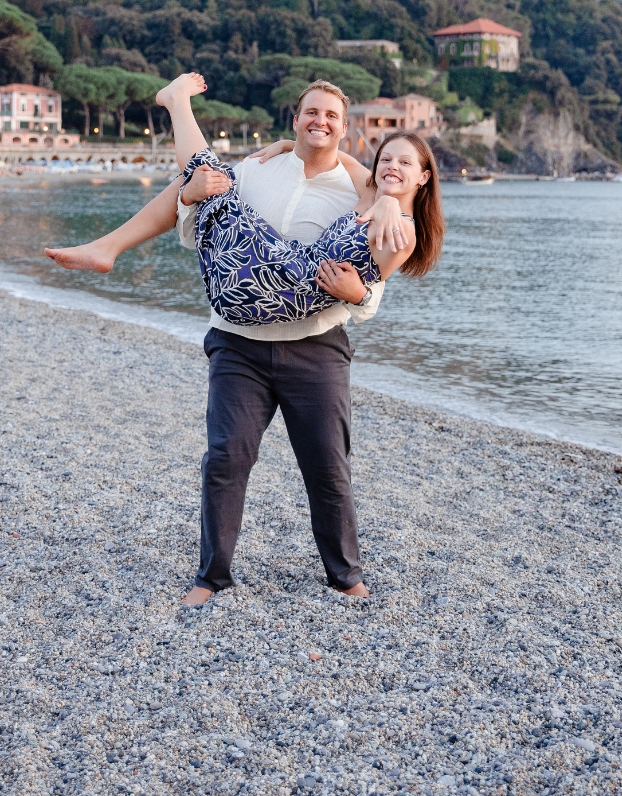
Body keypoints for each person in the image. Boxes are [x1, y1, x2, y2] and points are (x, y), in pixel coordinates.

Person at [46, 75, 444, 605]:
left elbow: (371, 291)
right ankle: (211, 576)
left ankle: (346, 575)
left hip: (314, 345)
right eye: (311, 113)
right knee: (226, 458)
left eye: (331, 116)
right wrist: (195, 192)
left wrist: (361, 279)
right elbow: (196, 225)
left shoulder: (366, 195)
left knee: (328, 466)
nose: (319, 122)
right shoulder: (258, 168)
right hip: (240, 336)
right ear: (295, 118)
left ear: (345, 131)